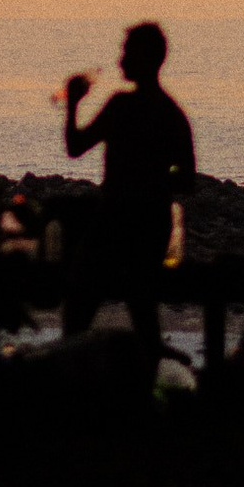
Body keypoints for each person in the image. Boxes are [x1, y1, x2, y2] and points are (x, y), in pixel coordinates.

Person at [62, 23, 196, 351]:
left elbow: (76, 146)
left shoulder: (122, 106)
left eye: (127, 53)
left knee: (82, 306)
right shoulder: (171, 114)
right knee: (141, 309)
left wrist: (72, 105)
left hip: (116, 219)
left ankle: (73, 379)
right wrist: (158, 178)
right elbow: (187, 179)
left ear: (146, 58)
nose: (120, 61)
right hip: (150, 222)